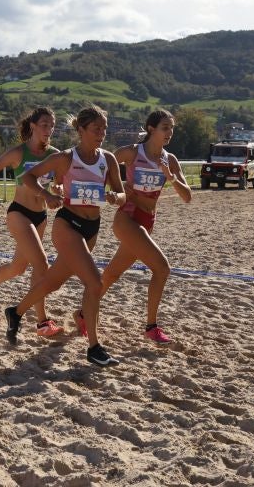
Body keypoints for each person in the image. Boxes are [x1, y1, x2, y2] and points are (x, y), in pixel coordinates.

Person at [4, 105, 126, 367]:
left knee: (52, 281)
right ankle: (94, 347)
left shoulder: (108, 159)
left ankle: (15, 312)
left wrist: (117, 196)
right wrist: (47, 196)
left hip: (92, 228)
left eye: (104, 128)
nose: (101, 133)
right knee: (94, 283)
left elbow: (122, 191)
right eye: (96, 129)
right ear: (81, 130)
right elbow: (28, 177)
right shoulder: (66, 158)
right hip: (67, 225)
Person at [99, 109, 192, 345]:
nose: (169, 133)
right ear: (151, 129)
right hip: (127, 218)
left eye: (171, 128)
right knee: (162, 268)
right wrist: (118, 187)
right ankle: (151, 327)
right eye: (165, 128)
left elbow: (187, 196)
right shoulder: (132, 152)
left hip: (148, 219)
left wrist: (170, 176)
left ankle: (81, 314)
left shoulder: (169, 160)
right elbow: (102, 164)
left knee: (111, 273)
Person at [0, 107, 63, 337]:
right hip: (19, 213)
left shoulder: (55, 154)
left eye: (52, 125)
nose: (49, 129)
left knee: (18, 267)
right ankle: (42, 321)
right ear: (32, 126)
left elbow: (58, 183)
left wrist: (57, 189)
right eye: (44, 124)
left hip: (40, 216)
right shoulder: (18, 153)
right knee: (41, 264)